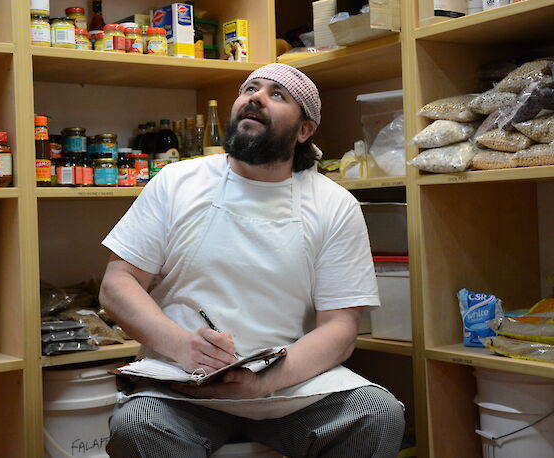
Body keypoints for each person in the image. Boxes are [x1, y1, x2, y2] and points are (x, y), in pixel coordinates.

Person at [100, 63, 405, 457]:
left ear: (304, 130)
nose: (256, 97)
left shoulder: (334, 205)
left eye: (277, 95)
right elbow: (117, 283)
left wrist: (265, 381)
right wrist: (183, 347)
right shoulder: (177, 182)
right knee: (138, 427)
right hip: (183, 385)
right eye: (250, 89)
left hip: (292, 386)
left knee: (377, 415)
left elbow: (341, 327)